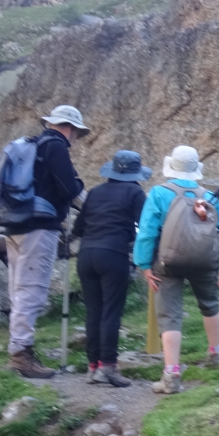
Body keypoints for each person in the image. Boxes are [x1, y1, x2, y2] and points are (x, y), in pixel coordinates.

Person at [133, 146, 219, 395]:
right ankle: (215, 354)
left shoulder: (159, 193)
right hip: (204, 262)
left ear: (171, 166)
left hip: (166, 263)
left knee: (170, 316)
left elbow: (147, 232)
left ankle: (172, 375)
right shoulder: (208, 196)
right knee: (210, 304)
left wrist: (144, 265)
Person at [4, 105, 88, 379]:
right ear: (70, 128)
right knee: (32, 290)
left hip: (15, 224)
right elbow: (67, 188)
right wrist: (80, 190)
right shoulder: (56, 146)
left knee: (18, 289)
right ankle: (21, 355)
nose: (75, 138)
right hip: (40, 228)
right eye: (77, 133)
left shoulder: (31, 145)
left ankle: (19, 348)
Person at [72, 150, 151, 387]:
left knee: (93, 311)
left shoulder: (95, 192)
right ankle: (108, 366)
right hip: (113, 254)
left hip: (86, 254)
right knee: (111, 312)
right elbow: (146, 225)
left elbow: (78, 228)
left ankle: (92, 367)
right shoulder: (135, 192)